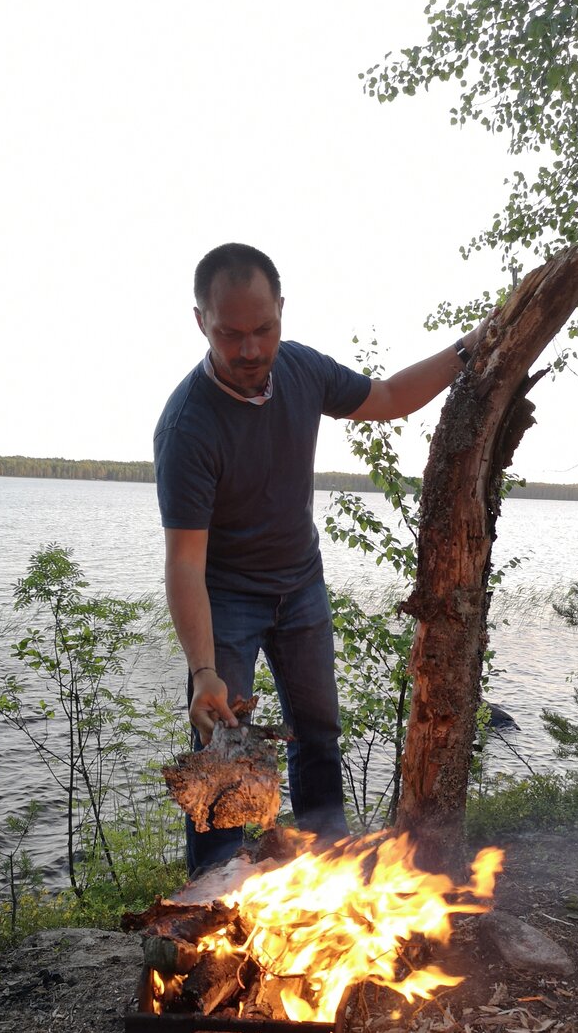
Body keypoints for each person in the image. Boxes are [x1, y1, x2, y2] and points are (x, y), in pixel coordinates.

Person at [154, 242, 482, 873]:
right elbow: (185, 564)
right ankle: (213, 891)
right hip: (226, 598)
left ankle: (326, 868)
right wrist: (202, 672)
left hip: (301, 586)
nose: (250, 349)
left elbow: (388, 398)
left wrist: (468, 347)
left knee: (318, 733)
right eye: (230, 333)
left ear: (281, 310)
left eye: (263, 329)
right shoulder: (188, 427)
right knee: (224, 747)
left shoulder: (303, 372)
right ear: (201, 322)